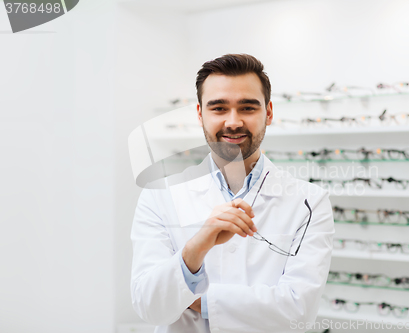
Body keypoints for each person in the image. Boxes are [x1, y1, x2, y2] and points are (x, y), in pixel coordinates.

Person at [130, 54, 335, 333]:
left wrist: (193, 296)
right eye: (219, 108)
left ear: (269, 112)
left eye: (248, 108)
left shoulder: (309, 203)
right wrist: (196, 247)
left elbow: (299, 312)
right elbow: (149, 306)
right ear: (200, 114)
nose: (233, 122)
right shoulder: (160, 196)